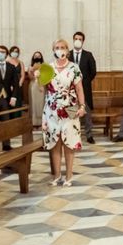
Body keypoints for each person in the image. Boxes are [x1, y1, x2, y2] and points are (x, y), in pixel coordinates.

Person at [43, 39, 86, 187]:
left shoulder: (74, 67)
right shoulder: (48, 68)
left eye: (62, 47)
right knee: (55, 142)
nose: (60, 50)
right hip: (52, 108)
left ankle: (68, 176)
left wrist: (82, 106)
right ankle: (56, 175)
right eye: (57, 47)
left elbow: (79, 88)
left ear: (67, 50)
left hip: (71, 107)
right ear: (53, 50)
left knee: (69, 141)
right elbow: (43, 88)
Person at [68, 32, 96, 144]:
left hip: (85, 88)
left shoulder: (88, 55)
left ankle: (89, 135)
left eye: (80, 39)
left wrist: (84, 81)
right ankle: (73, 135)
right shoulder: (68, 54)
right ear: (73, 40)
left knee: (87, 112)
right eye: (76, 38)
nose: (78, 40)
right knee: (72, 112)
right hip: (70, 89)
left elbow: (93, 71)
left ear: (83, 41)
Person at [6, 45, 26, 118]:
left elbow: (23, 75)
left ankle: (17, 120)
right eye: (13, 51)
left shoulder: (20, 62)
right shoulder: (6, 61)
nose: (15, 53)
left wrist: (19, 84)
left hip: (18, 85)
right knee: (9, 104)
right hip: (9, 86)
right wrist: (9, 85)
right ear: (10, 52)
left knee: (18, 104)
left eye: (16, 52)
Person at [27, 51, 45, 129]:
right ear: (33, 57)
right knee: (33, 104)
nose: (37, 57)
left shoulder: (44, 66)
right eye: (35, 56)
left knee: (42, 103)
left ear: (41, 57)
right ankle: (34, 123)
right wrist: (32, 72)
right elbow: (30, 77)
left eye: (39, 56)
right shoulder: (30, 66)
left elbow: (46, 76)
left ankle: (42, 123)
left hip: (42, 85)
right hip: (33, 85)